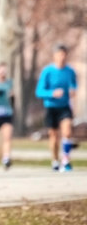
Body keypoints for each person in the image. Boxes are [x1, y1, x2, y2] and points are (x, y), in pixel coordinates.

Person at [36, 44, 78, 172]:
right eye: (60, 54)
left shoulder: (70, 71)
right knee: (53, 137)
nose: (62, 57)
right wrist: (52, 93)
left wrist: (73, 91)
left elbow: (73, 85)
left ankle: (66, 160)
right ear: (54, 56)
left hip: (65, 106)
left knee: (67, 132)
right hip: (51, 107)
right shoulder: (47, 72)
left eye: (64, 54)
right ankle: (55, 160)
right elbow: (39, 91)